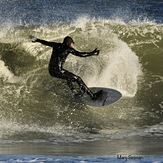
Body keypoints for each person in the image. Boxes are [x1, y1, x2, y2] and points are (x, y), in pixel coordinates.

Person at [30, 35, 103, 100]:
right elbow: (81, 54)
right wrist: (92, 53)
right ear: (70, 43)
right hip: (58, 71)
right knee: (78, 78)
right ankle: (92, 96)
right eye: (72, 43)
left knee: (69, 76)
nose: (73, 45)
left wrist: (37, 40)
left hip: (51, 70)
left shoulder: (56, 45)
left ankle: (74, 92)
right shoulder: (68, 48)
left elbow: (45, 42)